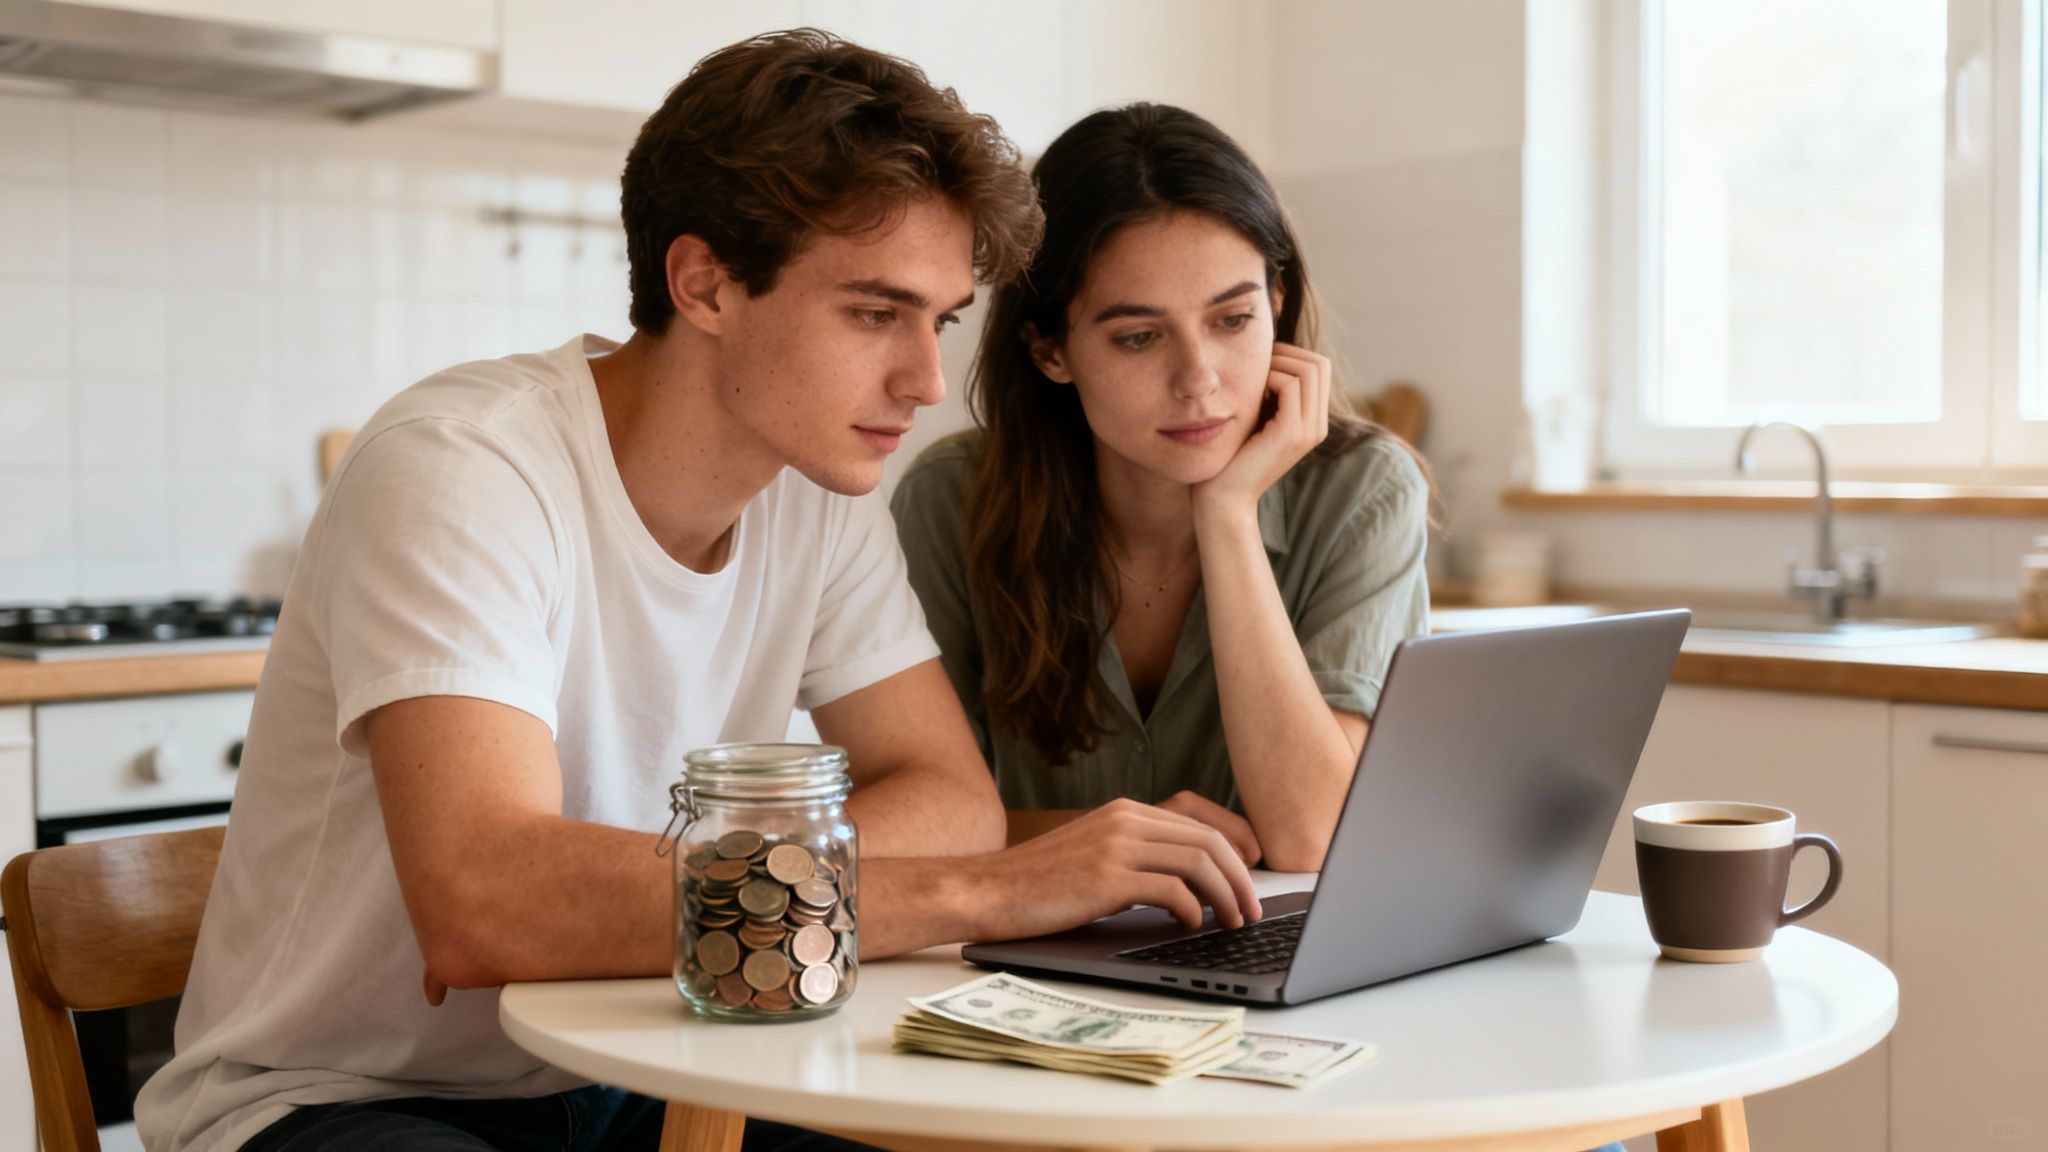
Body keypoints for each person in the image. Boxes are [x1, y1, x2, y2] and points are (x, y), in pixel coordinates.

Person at [136, 34, 1262, 1152]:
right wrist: (988, 893)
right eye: (875, 313)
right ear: (705, 282)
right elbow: (485, 904)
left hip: (650, 1054)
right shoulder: (462, 467)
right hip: (341, 1100)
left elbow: (947, 795)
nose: (924, 381)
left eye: (941, 320)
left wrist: (715, 884)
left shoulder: (818, 493)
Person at [890, 103, 1436, 875]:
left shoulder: (1364, 490)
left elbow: (1313, 834)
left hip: (1282, 962)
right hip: (1022, 955)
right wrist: (1132, 842)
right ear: (1051, 351)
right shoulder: (951, 501)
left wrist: (1228, 511)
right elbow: (919, 821)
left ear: (1276, 303)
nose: (1199, 382)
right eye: (1139, 337)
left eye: (1233, 319)